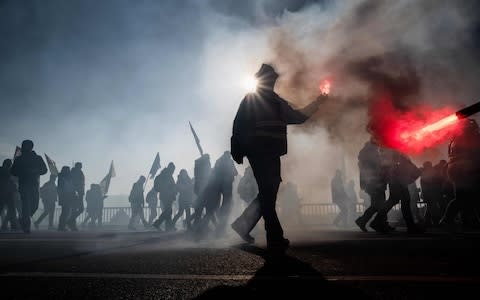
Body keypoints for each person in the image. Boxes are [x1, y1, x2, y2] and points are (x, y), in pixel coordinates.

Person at [230, 63, 325, 252]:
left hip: (269, 153)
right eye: (270, 78)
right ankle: (275, 237)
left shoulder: (275, 101)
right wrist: (237, 150)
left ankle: (243, 224)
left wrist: (317, 103)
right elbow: (238, 126)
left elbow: (298, 117)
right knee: (268, 193)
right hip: (260, 153)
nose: (273, 81)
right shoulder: (254, 100)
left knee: (268, 194)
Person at [370, 149, 423, 234]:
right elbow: (406, 165)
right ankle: (411, 226)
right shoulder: (398, 153)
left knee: (394, 201)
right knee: (403, 201)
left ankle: (376, 221)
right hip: (399, 181)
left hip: (396, 180)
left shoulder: (393, 152)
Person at [441, 119, 480, 229]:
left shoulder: (455, 139)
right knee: (467, 197)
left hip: (456, 170)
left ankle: (466, 220)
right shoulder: (472, 137)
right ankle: (448, 219)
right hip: (468, 169)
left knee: (464, 197)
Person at [10, 140, 48, 233]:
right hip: (23, 185)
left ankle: (23, 219)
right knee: (26, 205)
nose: (25, 147)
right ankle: (26, 226)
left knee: (34, 205)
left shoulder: (37, 158)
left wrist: (35, 171)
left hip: (34, 185)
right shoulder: (19, 159)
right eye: (24, 146)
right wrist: (23, 172)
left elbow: (44, 170)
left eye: (27, 146)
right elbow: (13, 171)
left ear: (31, 147)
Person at [354, 139, 388, 232]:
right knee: (379, 205)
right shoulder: (371, 155)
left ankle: (366, 221)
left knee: (377, 205)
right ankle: (370, 222)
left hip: (373, 184)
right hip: (376, 184)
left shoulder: (366, 155)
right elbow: (377, 171)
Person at [213, 151, 238, 237]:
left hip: (218, 188)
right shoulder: (229, 162)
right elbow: (235, 172)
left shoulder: (218, 161)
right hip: (226, 187)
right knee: (226, 207)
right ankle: (221, 230)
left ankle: (220, 229)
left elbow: (214, 172)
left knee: (220, 207)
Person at [152, 163, 177, 232]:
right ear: (170, 168)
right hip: (166, 196)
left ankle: (168, 227)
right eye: (173, 169)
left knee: (168, 211)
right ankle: (158, 223)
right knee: (168, 211)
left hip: (166, 196)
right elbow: (168, 186)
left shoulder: (166, 175)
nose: (173, 171)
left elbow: (172, 186)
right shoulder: (166, 175)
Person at [0, 159, 18, 231]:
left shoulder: (3, 170)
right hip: (6, 192)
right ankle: (12, 225)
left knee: (11, 209)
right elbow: (9, 181)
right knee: (11, 209)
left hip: (5, 192)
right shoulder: (8, 171)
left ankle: (10, 225)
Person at [57, 166, 76, 231]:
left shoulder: (69, 178)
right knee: (65, 212)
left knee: (66, 212)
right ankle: (61, 226)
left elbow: (71, 187)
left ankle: (62, 225)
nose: (69, 171)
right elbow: (60, 188)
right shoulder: (62, 178)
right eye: (68, 170)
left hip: (69, 196)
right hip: (64, 196)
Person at [69, 162, 85, 231]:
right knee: (77, 209)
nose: (81, 167)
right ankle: (71, 223)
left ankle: (71, 223)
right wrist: (77, 191)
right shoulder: (75, 173)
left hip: (79, 193)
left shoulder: (78, 172)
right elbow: (75, 183)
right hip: (76, 193)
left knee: (75, 209)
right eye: (80, 166)